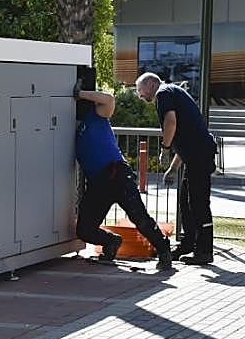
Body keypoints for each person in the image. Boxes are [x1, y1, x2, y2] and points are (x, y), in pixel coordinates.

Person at [74, 85, 173, 272]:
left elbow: (109, 99)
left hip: (117, 174)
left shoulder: (98, 115)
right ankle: (111, 241)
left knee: (140, 218)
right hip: (99, 182)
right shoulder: (75, 130)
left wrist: (81, 93)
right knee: (84, 230)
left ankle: (164, 250)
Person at [136, 72, 218, 265]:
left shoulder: (163, 94)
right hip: (196, 154)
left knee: (198, 203)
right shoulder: (173, 92)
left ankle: (204, 250)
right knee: (186, 201)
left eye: (140, 91)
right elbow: (185, 138)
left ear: (150, 85)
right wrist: (173, 168)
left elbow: (170, 123)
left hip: (199, 156)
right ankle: (188, 243)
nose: (140, 96)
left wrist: (164, 149)